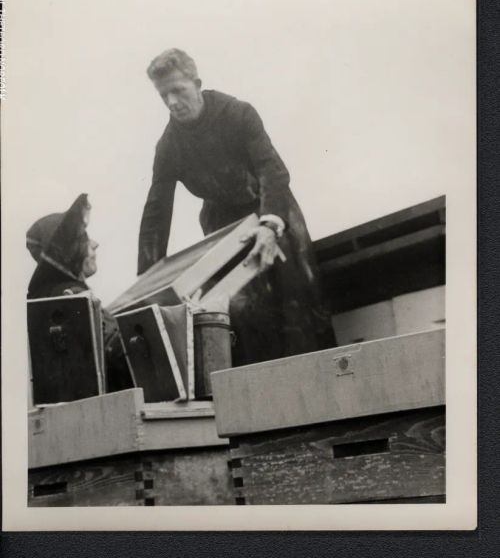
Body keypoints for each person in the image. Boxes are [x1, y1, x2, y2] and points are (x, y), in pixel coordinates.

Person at [138, 49, 335, 366]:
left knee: (298, 298)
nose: (172, 102)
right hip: (223, 223)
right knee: (241, 311)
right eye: (164, 96)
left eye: (178, 91)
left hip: (270, 210)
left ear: (197, 83)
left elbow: (273, 170)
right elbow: (156, 212)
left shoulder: (238, 113)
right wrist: (147, 279)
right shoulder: (168, 146)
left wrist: (270, 225)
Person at [27, 194, 133, 391]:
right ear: (69, 251)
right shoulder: (73, 297)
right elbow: (117, 350)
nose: (94, 244)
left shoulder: (53, 296)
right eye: (83, 237)